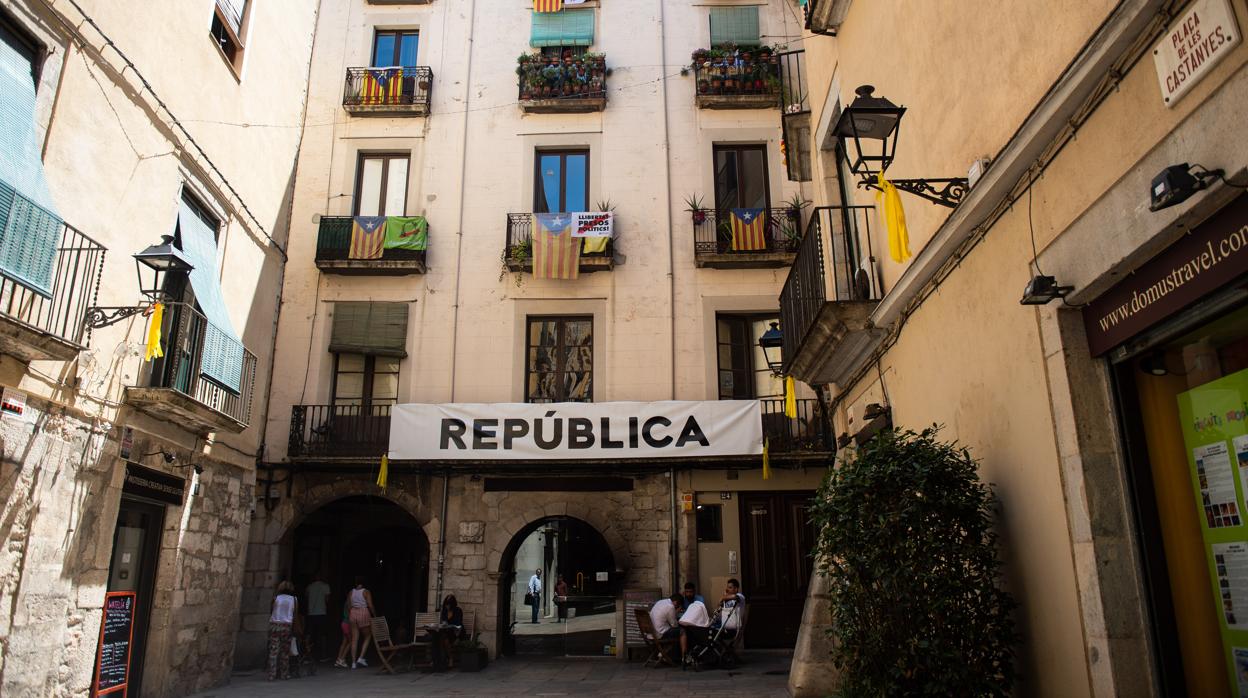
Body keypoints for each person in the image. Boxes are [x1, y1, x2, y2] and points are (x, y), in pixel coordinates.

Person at [267, 581, 298, 681]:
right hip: (287, 626)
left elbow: (271, 610)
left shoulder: (276, 598)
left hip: (275, 625)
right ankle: (284, 673)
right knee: (285, 651)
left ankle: (272, 674)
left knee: (273, 650)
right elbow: (295, 614)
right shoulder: (294, 599)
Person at [347, 576, 376, 669]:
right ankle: (361, 657)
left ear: (356, 583)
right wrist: (374, 614)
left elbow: (348, 605)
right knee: (368, 636)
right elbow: (370, 605)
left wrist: (351, 613)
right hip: (363, 613)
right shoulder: (366, 592)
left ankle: (353, 663)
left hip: (353, 613)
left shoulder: (351, 592)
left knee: (354, 639)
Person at [678, 594, 714, 660]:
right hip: (700, 630)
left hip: (692, 627)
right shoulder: (692, 603)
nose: (688, 593)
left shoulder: (698, 600)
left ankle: (684, 656)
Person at [305, 574, 331, 661]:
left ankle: (306, 654)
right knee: (323, 634)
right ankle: (323, 655)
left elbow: (306, 597)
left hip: (311, 613)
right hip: (321, 612)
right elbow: (327, 599)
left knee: (309, 633)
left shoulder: (309, 587)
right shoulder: (325, 586)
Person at [435, 594, 464, 670]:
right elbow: (443, 621)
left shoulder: (458, 611)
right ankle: (442, 659)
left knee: (443, 639)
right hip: (447, 632)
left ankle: (446, 659)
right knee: (440, 637)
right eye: (446, 605)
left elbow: (459, 624)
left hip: (456, 633)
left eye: (449, 605)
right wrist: (444, 624)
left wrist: (450, 626)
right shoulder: (444, 611)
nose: (447, 606)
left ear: (453, 605)